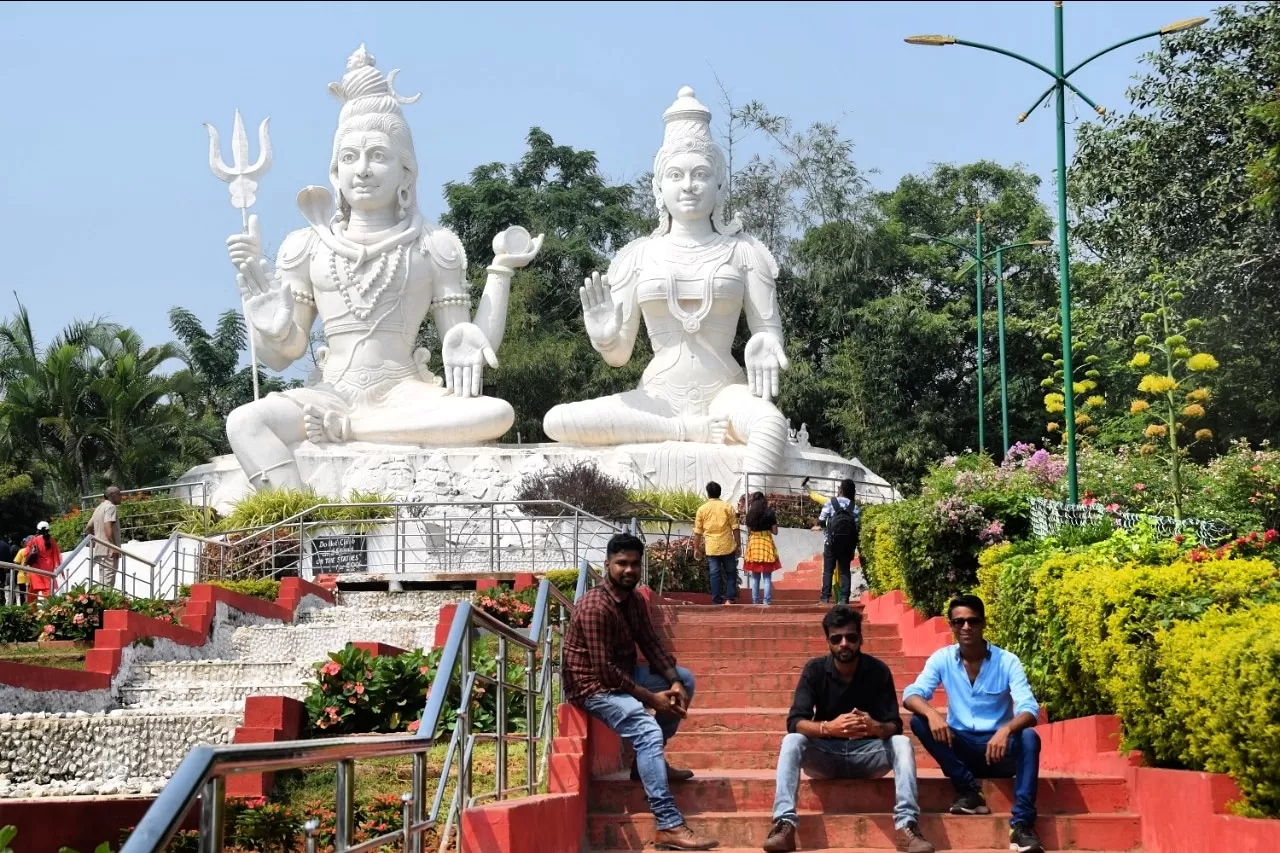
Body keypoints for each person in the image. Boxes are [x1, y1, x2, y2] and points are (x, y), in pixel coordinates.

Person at [562, 533, 716, 851]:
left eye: (634, 564)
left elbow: (650, 643)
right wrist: (651, 698)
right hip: (590, 685)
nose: (629, 570)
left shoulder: (633, 601)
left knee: (686, 681)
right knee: (646, 730)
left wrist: (672, 681)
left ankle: (647, 763)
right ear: (607, 565)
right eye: (621, 563)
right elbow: (604, 672)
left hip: (622, 674)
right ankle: (668, 825)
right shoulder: (594, 606)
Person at [763, 605, 933, 853]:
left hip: (867, 755)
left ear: (860, 639)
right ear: (828, 641)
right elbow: (795, 721)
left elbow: (894, 725)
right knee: (792, 741)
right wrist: (828, 727)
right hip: (825, 756)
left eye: (851, 637)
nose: (845, 644)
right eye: (837, 638)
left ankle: (907, 825)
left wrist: (874, 727)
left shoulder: (878, 671)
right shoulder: (815, 670)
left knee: (902, 743)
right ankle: (784, 824)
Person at [903, 594, 1044, 853]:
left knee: (1029, 737)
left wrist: (1007, 729)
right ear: (952, 625)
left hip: (998, 751)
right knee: (919, 721)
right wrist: (933, 714)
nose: (966, 627)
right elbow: (911, 694)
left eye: (972, 621)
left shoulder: (1007, 661)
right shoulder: (942, 659)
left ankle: (1022, 826)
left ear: (983, 623)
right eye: (959, 622)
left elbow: (1029, 708)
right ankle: (969, 790)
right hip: (962, 748)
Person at [812, 478, 859, 604]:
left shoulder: (831, 502)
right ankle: (844, 598)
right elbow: (857, 528)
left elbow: (821, 521)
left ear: (841, 490)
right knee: (845, 571)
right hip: (847, 545)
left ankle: (825, 597)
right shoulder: (854, 507)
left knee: (828, 570)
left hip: (830, 542)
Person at [693, 481, 740, 605]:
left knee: (714, 574)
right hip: (727, 546)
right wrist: (738, 545)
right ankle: (730, 598)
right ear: (720, 493)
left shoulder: (702, 510)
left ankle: (716, 600)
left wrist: (696, 548)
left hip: (712, 548)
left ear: (708, 494)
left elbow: (697, 532)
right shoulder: (728, 507)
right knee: (731, 572)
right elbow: (735, 528)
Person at [742, 491, 781, 606]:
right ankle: (766, 602)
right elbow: (775, 532)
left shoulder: (750, 514)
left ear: (753, 501)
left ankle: (755, 602)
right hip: (766, 544)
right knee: (767, 577)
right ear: (764, 500)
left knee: (755, 577)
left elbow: (749, 532)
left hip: (754, 543)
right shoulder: (770, 513)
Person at [86, 486, 122, 589]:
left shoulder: (99, 508)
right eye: (119, 494)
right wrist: (113, 546)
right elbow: (107, 525)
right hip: (109, 550)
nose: (121, 497)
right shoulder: (111, 507)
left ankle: (101, 601)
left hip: (100, 549)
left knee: (103, 579)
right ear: (112, 495)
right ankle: (106, 602)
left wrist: (97, 538)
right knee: (108, 580)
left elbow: (88, 527)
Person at [24, 522, 61, 600]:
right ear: (48, 529)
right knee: (47, 590)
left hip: (36, 567)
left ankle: (31, 610)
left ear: (38, 529)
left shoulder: (34, 539)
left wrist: (25, 564)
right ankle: (49, 609)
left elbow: (26, 553)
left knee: (33, 591)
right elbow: (56, 555)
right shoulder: (51, 540)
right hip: (48, 567)